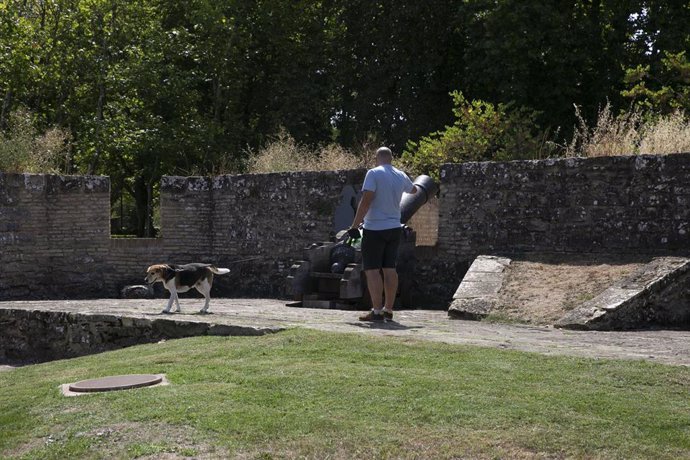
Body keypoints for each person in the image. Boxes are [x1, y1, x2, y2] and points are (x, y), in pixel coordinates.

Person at [348, 146, 417, 321]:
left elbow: (366, 201)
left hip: (374, 228)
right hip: (394, 228)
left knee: (372, 271)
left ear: (377, 158)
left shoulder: (373, 173)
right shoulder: (400, 175)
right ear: (391, 159)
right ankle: (389, 309)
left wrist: (355, 225)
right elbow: (414, 191)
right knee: (389, 269)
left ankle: (377, 311)